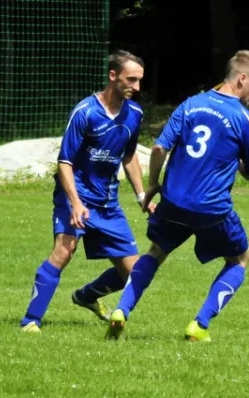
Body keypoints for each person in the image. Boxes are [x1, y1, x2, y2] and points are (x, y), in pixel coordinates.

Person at [105, 49, 249, 342]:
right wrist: (236, 160)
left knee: (155, 252)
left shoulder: (191, 104)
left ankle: (120, 311)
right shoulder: (245, 119)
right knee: (239, 259)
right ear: (242, 78)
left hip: (173, 202)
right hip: (211, 209)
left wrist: (152, 184)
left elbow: (158, 149)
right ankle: (199, 325)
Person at [20, 50, 150, 332]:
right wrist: (76, 203)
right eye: (131, 80)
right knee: (64, 251)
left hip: (107, 202)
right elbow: (65, 162)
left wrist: (142, 195)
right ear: (112, 76)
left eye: (139, 81)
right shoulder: (85, 112)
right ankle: (31, 320)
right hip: (75, 196)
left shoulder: (134, 114)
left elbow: (129, 157)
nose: (136, 87)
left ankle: (87, 296)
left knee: (135, 272)